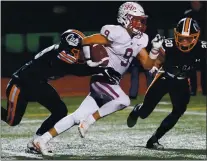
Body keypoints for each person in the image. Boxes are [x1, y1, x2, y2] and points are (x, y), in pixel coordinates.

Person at [30, 2, 163, 156]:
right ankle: (88, 122)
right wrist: (90, 61)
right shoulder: (117, 32)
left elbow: (147, 64)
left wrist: (154, 50)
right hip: (102, 79)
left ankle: (42, 139)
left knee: (76, 117)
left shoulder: (140, 39)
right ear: (126, 18)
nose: (140, 24)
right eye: (137, 20)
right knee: (123, 101)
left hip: (112, 82)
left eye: (142, 20)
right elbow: (86, 41)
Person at [1, 29, 121, 153]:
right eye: (78, 50)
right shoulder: (58, 57)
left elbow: (75, 68)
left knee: (60, 110)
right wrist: (101, 69)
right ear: (68, 49)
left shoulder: (61, 54)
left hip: (38, 84)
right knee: (12, 121)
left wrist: (101, 69)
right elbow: (77, 70)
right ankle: (36, 140)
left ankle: (36, 140)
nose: (82, 53)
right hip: (20, 85)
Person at [127, 17, 206, 149]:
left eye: (188, 38)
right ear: (176, 36)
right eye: (181, 38)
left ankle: (154, 139)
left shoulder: (202, 47)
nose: (185, 42)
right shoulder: (169, 45)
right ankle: (138, 110)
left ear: (196, 37)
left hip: (182, 82)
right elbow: (159, 59)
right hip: (165, 78)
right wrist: (155, 66)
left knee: (178, 110)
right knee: (145, 112)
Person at [184, 1, 206, 95]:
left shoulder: (205, 13)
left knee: (205, 67)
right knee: (191, 67)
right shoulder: (188, 14)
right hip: (192, 44)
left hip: (204, 44)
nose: (193, 4)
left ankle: (205, 90)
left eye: (195, 2)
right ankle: (192, 90)